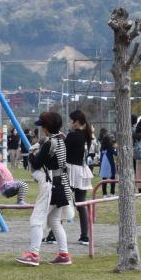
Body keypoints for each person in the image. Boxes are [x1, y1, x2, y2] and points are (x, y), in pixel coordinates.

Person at [16, 110, 73, 267]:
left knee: (36, 219)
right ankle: (64, 254)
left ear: (46, 127)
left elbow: (36, 163)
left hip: (50, 185)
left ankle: (33, 254)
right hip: (61, 184)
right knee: (54, 221)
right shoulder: (62, 139)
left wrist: (32, 153)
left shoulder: (50, 143)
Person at [64, 110, 94, 244]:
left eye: (71, 121)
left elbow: (65, 153)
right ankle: (85, 235)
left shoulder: (72, 136)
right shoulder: (87, 136)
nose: (69, 123)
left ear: (76, 122)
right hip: (83, 170)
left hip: (71, 171)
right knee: (81, 205)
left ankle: (53, 234)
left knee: (62, 202)